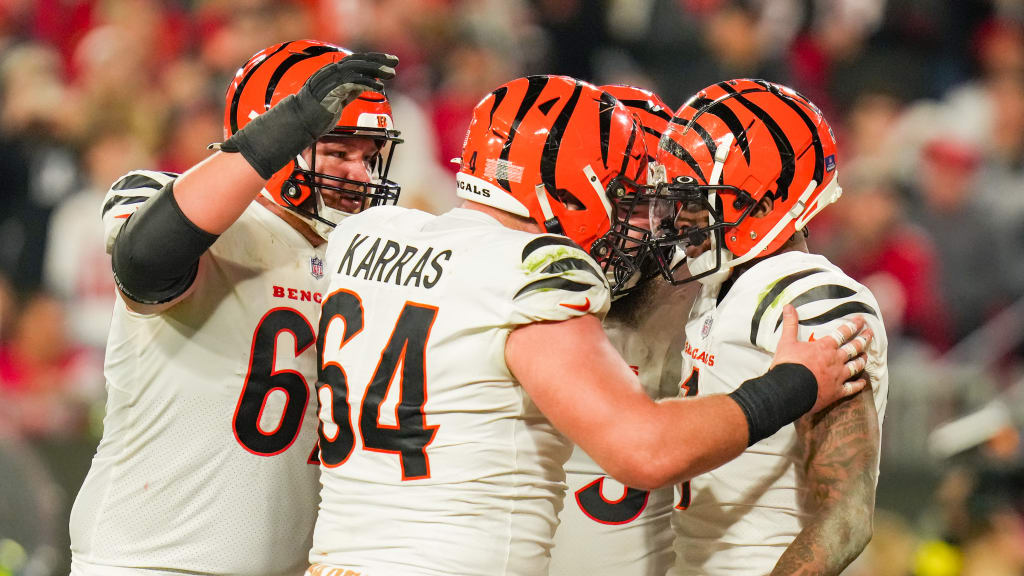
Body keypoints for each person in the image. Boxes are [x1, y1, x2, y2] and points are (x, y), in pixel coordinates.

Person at [308, 74, 872, 576]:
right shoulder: (536, 270)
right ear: (569, 181)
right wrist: (795, 382)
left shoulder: (367, 233)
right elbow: (645, 451)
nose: (639, 223)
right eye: (620, 192)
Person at [69, 40, 401, 576]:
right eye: (338, 151)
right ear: (277, 136)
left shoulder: (362, 257)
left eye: (368, 155)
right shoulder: (170, 198)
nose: (360, 175)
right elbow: (145, 260)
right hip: (149, 563)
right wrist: (293, 120)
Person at [648, 79, 888, 576]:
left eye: (696, 200)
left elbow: (846, 516)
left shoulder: (810, 299)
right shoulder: (721, 282)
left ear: (762, 204)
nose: (679, 218)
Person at [549, 83, 685, 576]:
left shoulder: (705, 299)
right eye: (625, 202)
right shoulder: (506, 282)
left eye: (660, 204)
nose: (647, 228)